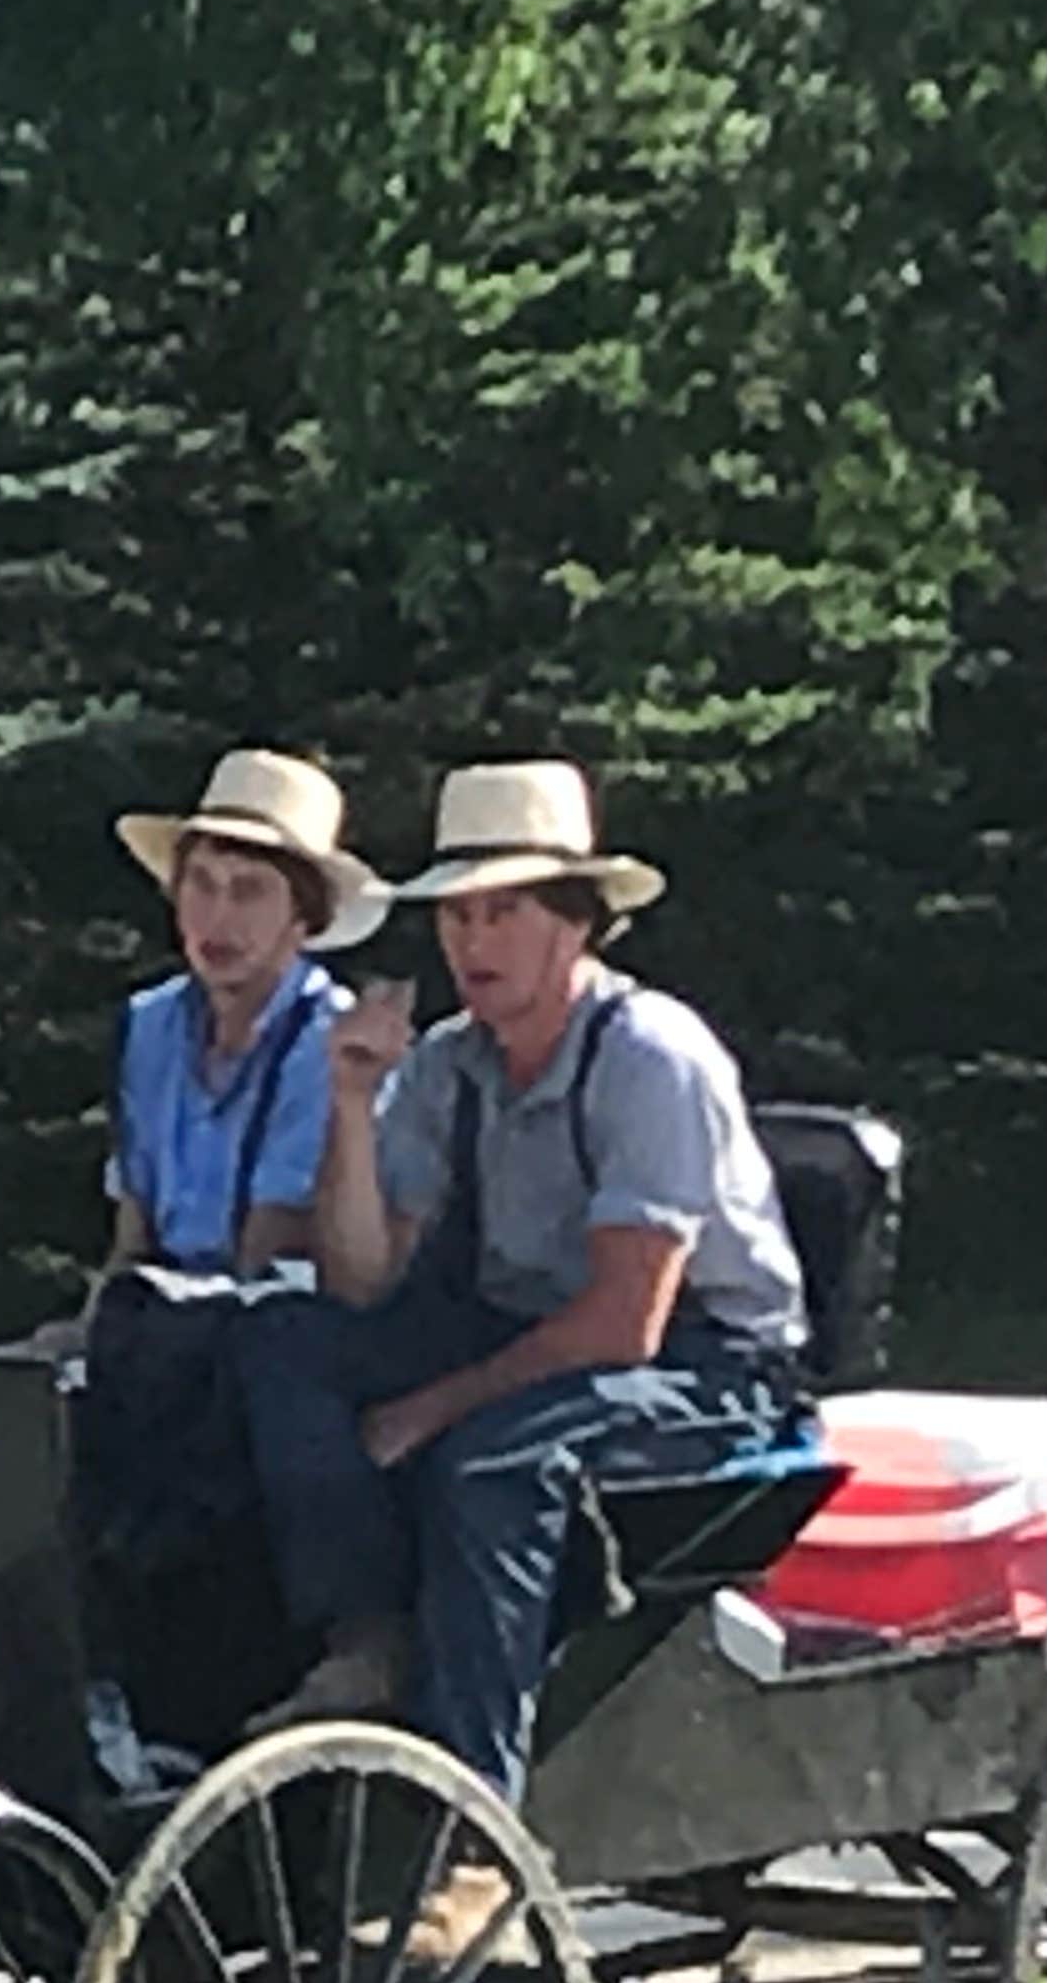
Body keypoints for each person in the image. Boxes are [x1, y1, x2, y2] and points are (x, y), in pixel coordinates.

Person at [233, 758, 809, 1808]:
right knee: (281, 1341)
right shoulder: (452, 1066)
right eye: (458, 918)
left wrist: (426, 1409)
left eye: (504, 915)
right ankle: (365, 1641)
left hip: (707, 1369)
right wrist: (352, 1106)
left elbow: (625, 1323)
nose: (472, 944)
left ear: (575, 924)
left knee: (491, 1466)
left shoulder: (650, 1056)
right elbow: (362, 1282)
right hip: (526, 1334)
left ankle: (472, 1813)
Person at [66, 753, 385, 1615]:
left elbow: (271, 1240)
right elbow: (133, 1229)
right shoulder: (149, 1025)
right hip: (155, 1310)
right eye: (200, 886)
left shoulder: (330, 1040)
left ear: (302, 921)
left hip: (267, 1320)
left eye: (249, 893)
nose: (219, 917)